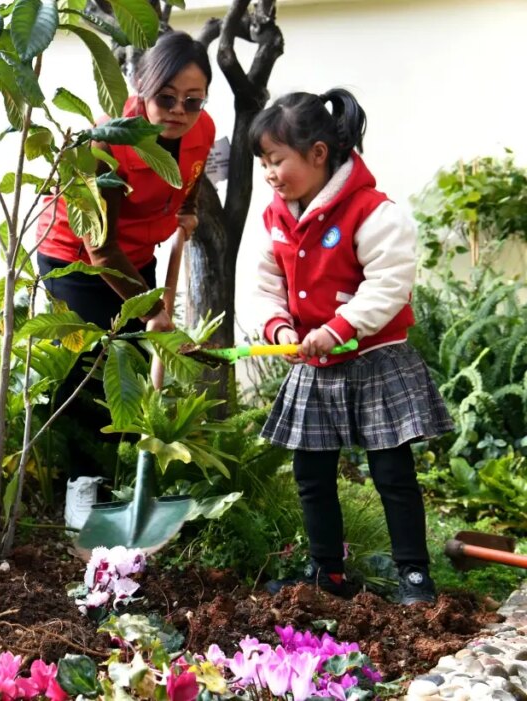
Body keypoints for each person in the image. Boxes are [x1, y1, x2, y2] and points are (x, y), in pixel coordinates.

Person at [249, 88, 453, 605]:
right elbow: (266, 280)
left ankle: (413, 575)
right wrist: (280, 329)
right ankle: (327, 573)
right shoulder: (278, 216)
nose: (270, 174)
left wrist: (337, 328)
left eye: (277, 161)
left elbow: (389, 283)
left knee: (391, 472)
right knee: (311, 473)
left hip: (374, 357)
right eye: (264, 164)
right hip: (314, 362)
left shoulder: (372, 211)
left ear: (319, 154)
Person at [34, 30, 216, 527]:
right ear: (141, 88)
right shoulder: (107, 141)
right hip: (75, 256)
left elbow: (191, 176)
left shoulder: (202, 129)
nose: (179, 110)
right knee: (91, 371)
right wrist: (154, 312)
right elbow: (99, 245)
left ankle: (120, 488)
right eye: (166, 97)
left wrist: (190, 209)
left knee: (132, 367)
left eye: (192, 100)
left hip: (134, 257)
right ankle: (79, 493)